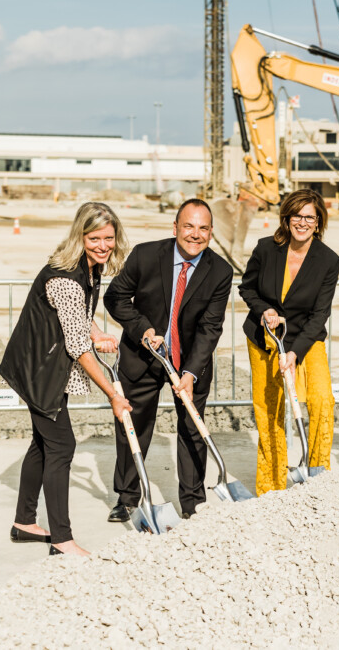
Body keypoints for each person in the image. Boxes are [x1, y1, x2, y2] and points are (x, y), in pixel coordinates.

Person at [0, 202, 132, 556]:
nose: (103, 245)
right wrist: (113, 396)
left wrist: (98, 329)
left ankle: (24, 522)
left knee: (43, 444)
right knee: (62, 446)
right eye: (94, 238)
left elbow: (77, 318)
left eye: (108, 237)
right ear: (80, 236)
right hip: (40, 370)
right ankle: (62, 539)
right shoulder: (66, 278)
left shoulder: (89, 268)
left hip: (41, 363)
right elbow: (76, 346)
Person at [103, 198, 233, 520]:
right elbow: (115, 297)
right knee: (135, 426)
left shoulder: (220, 271)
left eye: (203, 228)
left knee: (192, 428)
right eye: (188, 226)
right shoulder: (146, 255)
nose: (195, 234)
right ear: (175, 227)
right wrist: (142, 329)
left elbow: (210, 327)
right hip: (141, 355)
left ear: (211, 233)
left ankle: (192, 503)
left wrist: (190, 373)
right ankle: (128, 496)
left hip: (190, 361)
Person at [239, 188, 339, 495]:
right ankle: (271, 485)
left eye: (309, 216)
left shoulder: (328, 260)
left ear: (319, 221)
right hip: (265, 340)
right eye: (297, 215)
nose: (302, 222)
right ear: (286, 217)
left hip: (306, 340)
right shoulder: (266, 248)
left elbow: (320, 313)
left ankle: (318, 477)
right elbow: (247, 289)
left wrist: (295, 353)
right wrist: (264, 310)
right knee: (269, 410)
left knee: (322, 401)